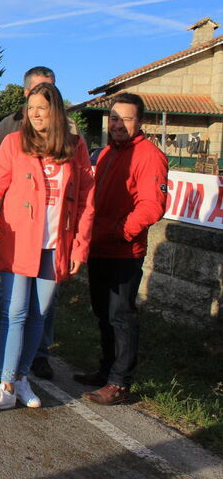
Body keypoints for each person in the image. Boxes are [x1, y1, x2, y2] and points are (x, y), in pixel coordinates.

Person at [0, 82, 94, 412]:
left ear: (56, 111)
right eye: (31, 108)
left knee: (39, 314)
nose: (35, 114)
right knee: (15, 312)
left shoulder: (74, 147)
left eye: (42, 107)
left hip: (56, 245)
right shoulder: (14, 143)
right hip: (21, 241)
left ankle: (22, 378)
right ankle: (5, 384)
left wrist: (80, 247)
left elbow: (85, 201)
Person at [74, 93, 168, 405]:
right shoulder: (106, 154)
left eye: (126, 119)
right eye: (114, 118)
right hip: (99, 247)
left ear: (139, 121)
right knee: (103, 314)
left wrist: (120, 232)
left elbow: (152, 207)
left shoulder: (149, 155)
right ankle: (106, 370)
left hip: (124, 252)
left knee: (121, 315)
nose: (119, 125)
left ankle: (120, 382)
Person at [0, 66, 59, 379]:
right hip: (17, 234)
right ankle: (2, 355)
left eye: (51, 92)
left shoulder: (69, 135)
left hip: (51, 240)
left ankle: (37, 356)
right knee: (11, 304)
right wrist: (5, 214)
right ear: (27, 93)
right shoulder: (8, 130)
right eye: (39, 91)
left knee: (42, 307)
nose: (44, 101)